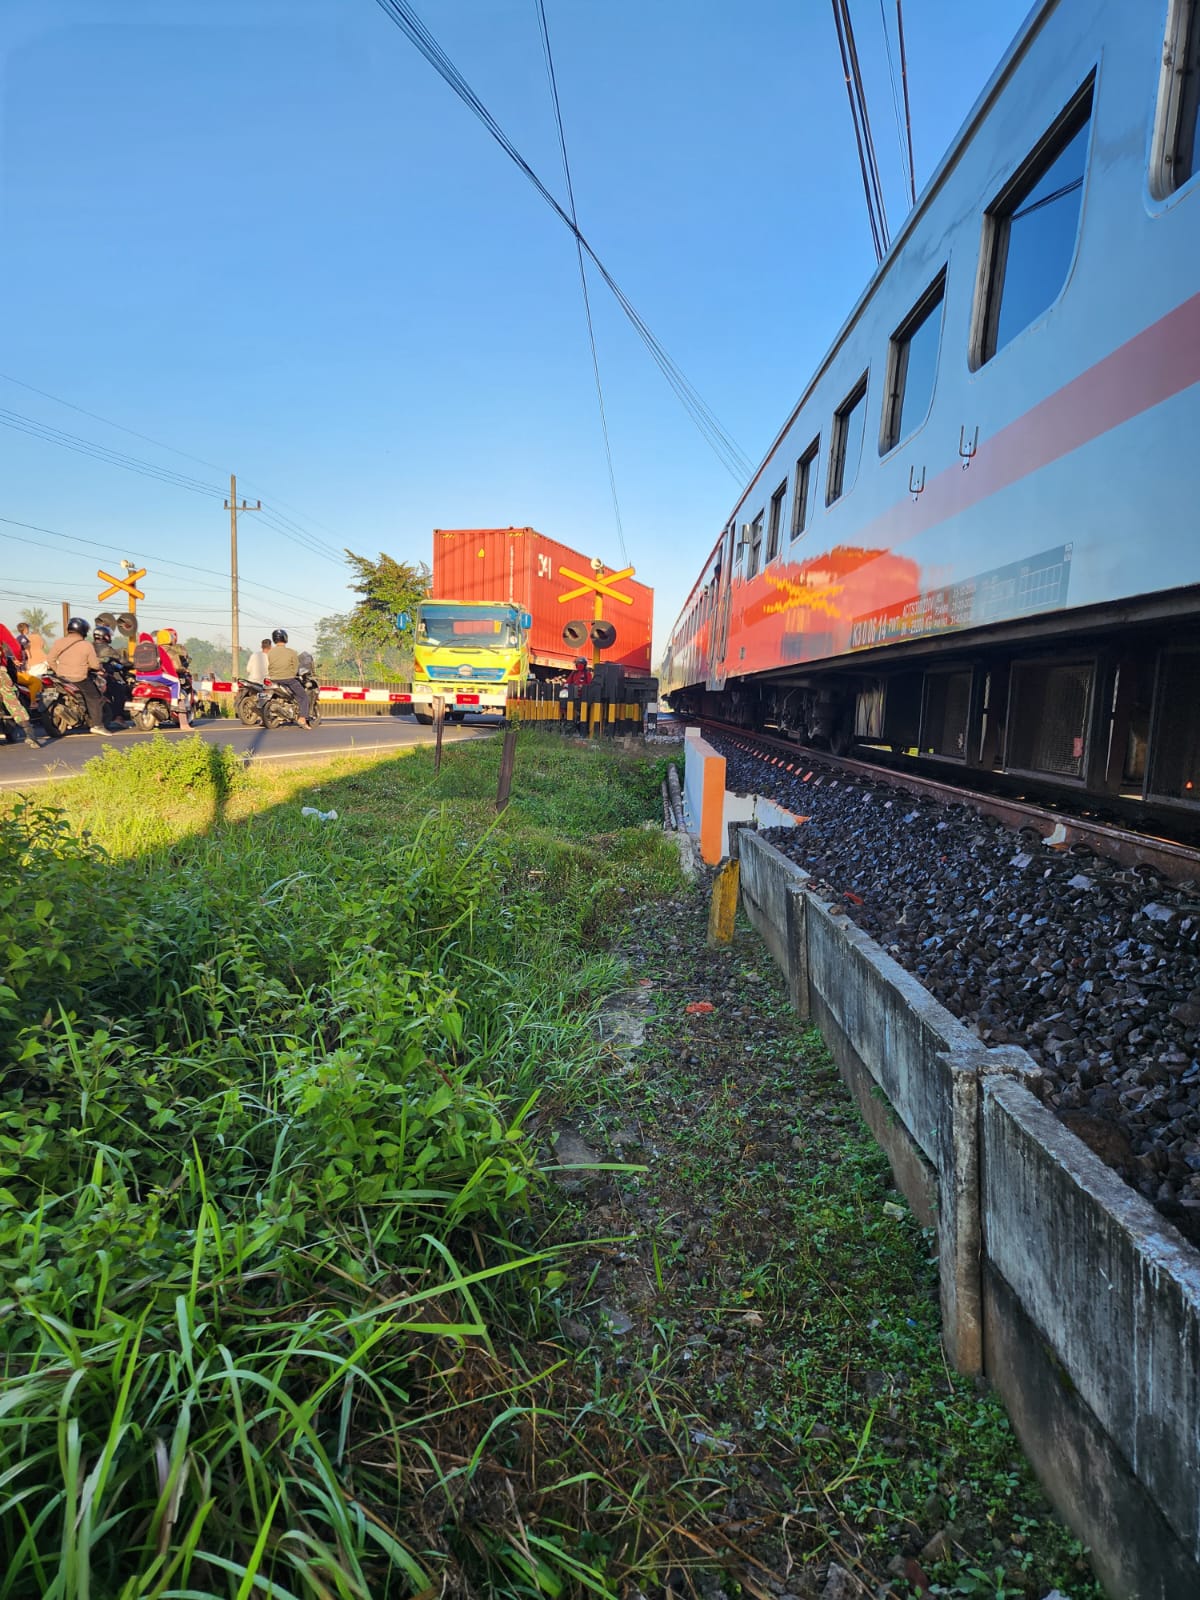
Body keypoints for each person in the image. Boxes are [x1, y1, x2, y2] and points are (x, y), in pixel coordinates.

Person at [46, 617, 111, 735]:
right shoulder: (86, 645)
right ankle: (97, 725)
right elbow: (95, 665)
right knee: (94, 697)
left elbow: (50, 659)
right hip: (79, 678)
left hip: (61, 678)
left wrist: (58, 671)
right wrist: (99, 667)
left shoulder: (59, 642)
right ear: (83, 630)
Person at [266, 628, 310, 727]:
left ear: (274, 639)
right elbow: (296, 667)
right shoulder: (291, 652)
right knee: (303, 696)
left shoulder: (270, 652)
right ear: (285, 638)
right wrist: (293, 674)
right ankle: (302, 718)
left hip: (273, 679)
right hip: (288, 679)